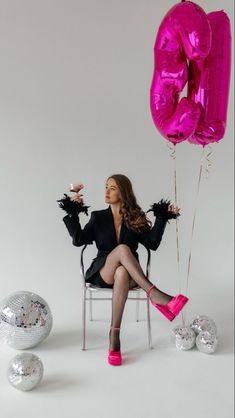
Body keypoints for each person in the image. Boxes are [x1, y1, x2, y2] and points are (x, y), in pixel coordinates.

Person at [58, 174, 188, 366]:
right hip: (104, 271)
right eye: (106, 187)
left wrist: (162, 217)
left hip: (130, 275)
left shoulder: (135, 218)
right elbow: (78, 240)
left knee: (122, 272)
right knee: (122, 250)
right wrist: (73, 211)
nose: (107, 191)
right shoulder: (98, 217)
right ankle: (154, 294)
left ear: (123, 193)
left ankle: (114, 335)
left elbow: (152, 244)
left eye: (113, 188)